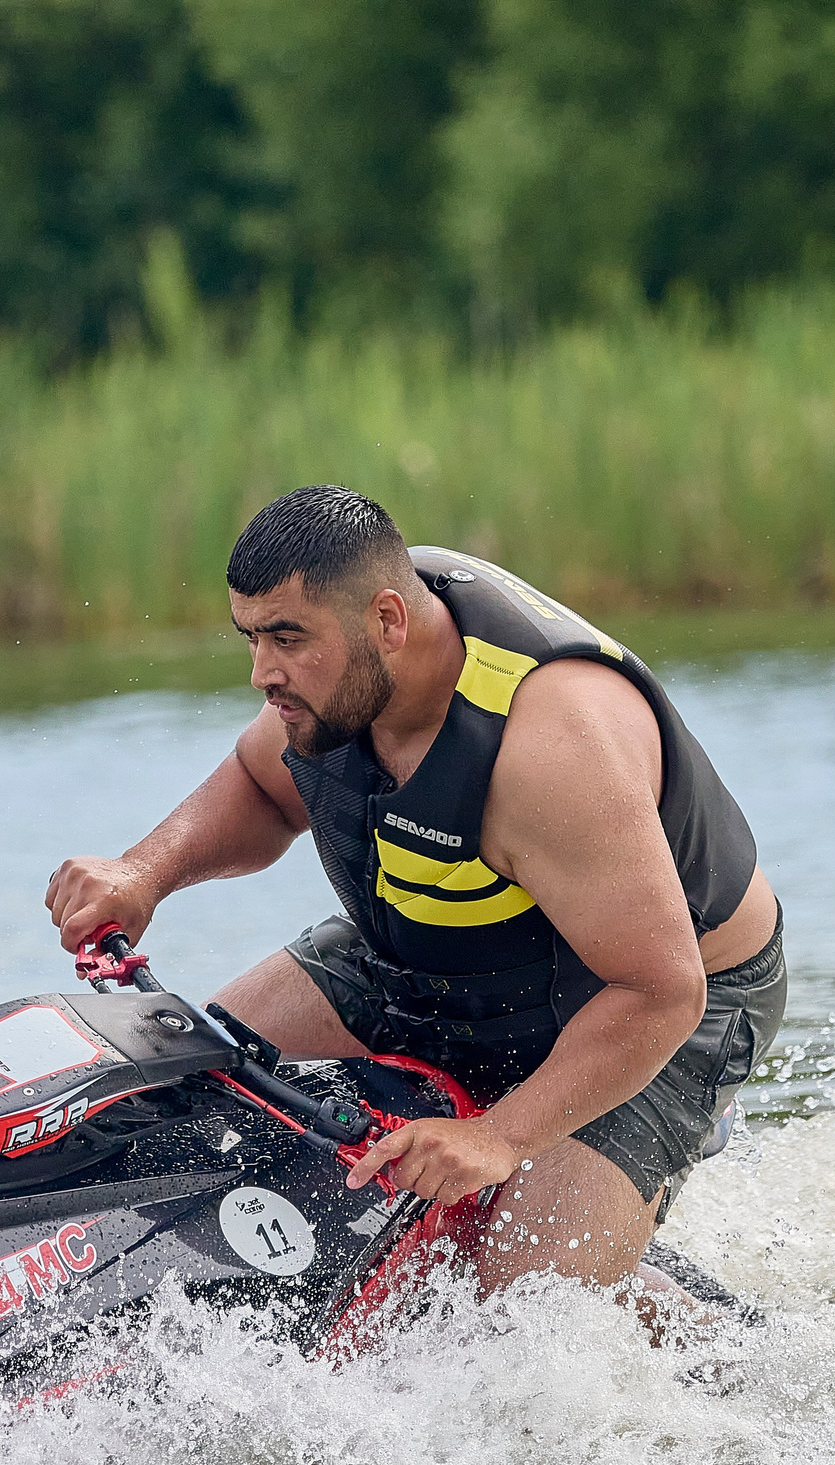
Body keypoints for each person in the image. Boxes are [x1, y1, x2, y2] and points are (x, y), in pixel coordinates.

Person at [45, 485, 783, 1297]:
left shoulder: (550, 748)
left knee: (516, 1308)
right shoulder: (338, 674)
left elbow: (661, 990)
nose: (261, 674)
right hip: (436, 947)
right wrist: (143, 874)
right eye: (251, 638)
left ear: (389, 623)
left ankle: (700, 1324)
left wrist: (499, 1137)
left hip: (650, 998)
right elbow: (262, 790)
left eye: (286, 639)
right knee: (188, 1103)